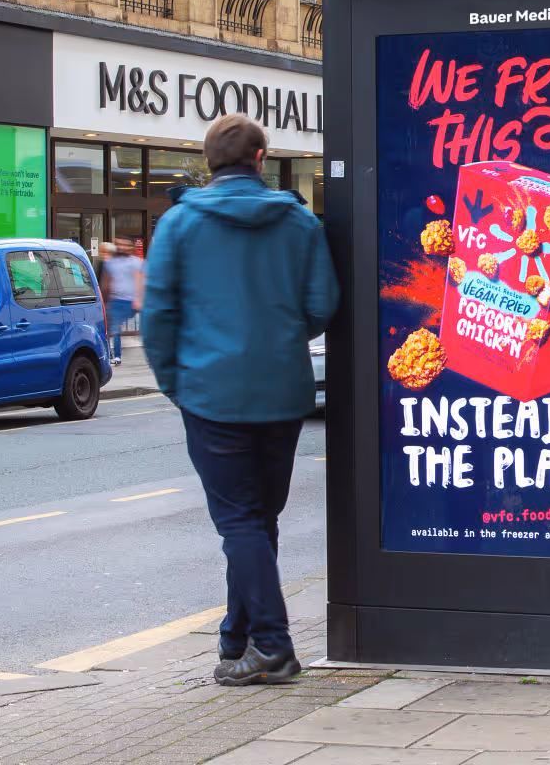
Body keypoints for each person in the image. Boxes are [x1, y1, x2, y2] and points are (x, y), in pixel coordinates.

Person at [142, 113, 338, 687]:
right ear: (260, 159)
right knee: (258, 520)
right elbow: (323, 304)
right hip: (281, 393)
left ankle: (274, 648)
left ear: (209, 164)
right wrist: (278, 339)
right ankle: (237, 639)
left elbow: (157, 315)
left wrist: (175, 382)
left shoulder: (179, 224)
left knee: (239, 522)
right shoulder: (299, 222)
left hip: (211, 394)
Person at [101, 237, 144, 366]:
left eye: (125, 245)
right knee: (113, 330)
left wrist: (139, 298)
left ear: (131, 247)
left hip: (131, 300)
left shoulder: (136, 262)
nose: (122, 247)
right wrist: (104, 300)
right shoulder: (110, 263)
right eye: (119, 244)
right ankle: (116, 356)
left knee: (143, 328)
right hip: (116, 301)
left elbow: (140, 280)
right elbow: (106, 282)